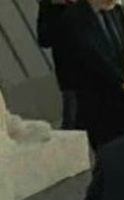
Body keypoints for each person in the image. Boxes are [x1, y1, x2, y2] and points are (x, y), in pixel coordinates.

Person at [61, 0, 124, 151]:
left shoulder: (119, 12)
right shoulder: (74, 17)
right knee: (110, 162)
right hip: (99, 109)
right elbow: (91, 58)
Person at [37, 0, 79, 130]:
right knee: (72, 120)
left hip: (95, 70)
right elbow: (44, 39)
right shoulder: (49, 6)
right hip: (70, 73)